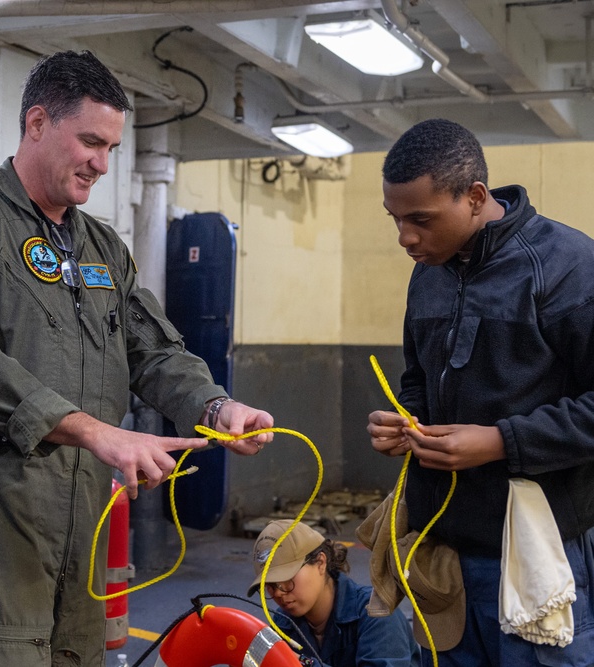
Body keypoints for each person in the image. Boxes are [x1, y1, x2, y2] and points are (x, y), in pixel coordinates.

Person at [0, 49, 275, 666]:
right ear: (37, 123)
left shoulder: (101, 245)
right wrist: (98, 432)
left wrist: (216, 406)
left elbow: (153, 349)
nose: (102, 164)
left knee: (78, 652)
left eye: (112, 148)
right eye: (90, 142)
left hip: (85, 500)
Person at [367, 117, 594, 665]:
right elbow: (418, 379)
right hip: (443, 554)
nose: (405, 238)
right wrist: (404, 420)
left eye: (421, 219)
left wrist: (500, 442)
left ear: (474, 197)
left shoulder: (568, 267)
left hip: (540, 550)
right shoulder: (430, 272)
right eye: (395, 219)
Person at [248, 520, 418, 666]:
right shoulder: (284, 623)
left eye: (286, 579)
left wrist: (300, 663)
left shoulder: (377, 615)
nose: (278, 593)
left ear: (320, 563)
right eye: (270, 585)